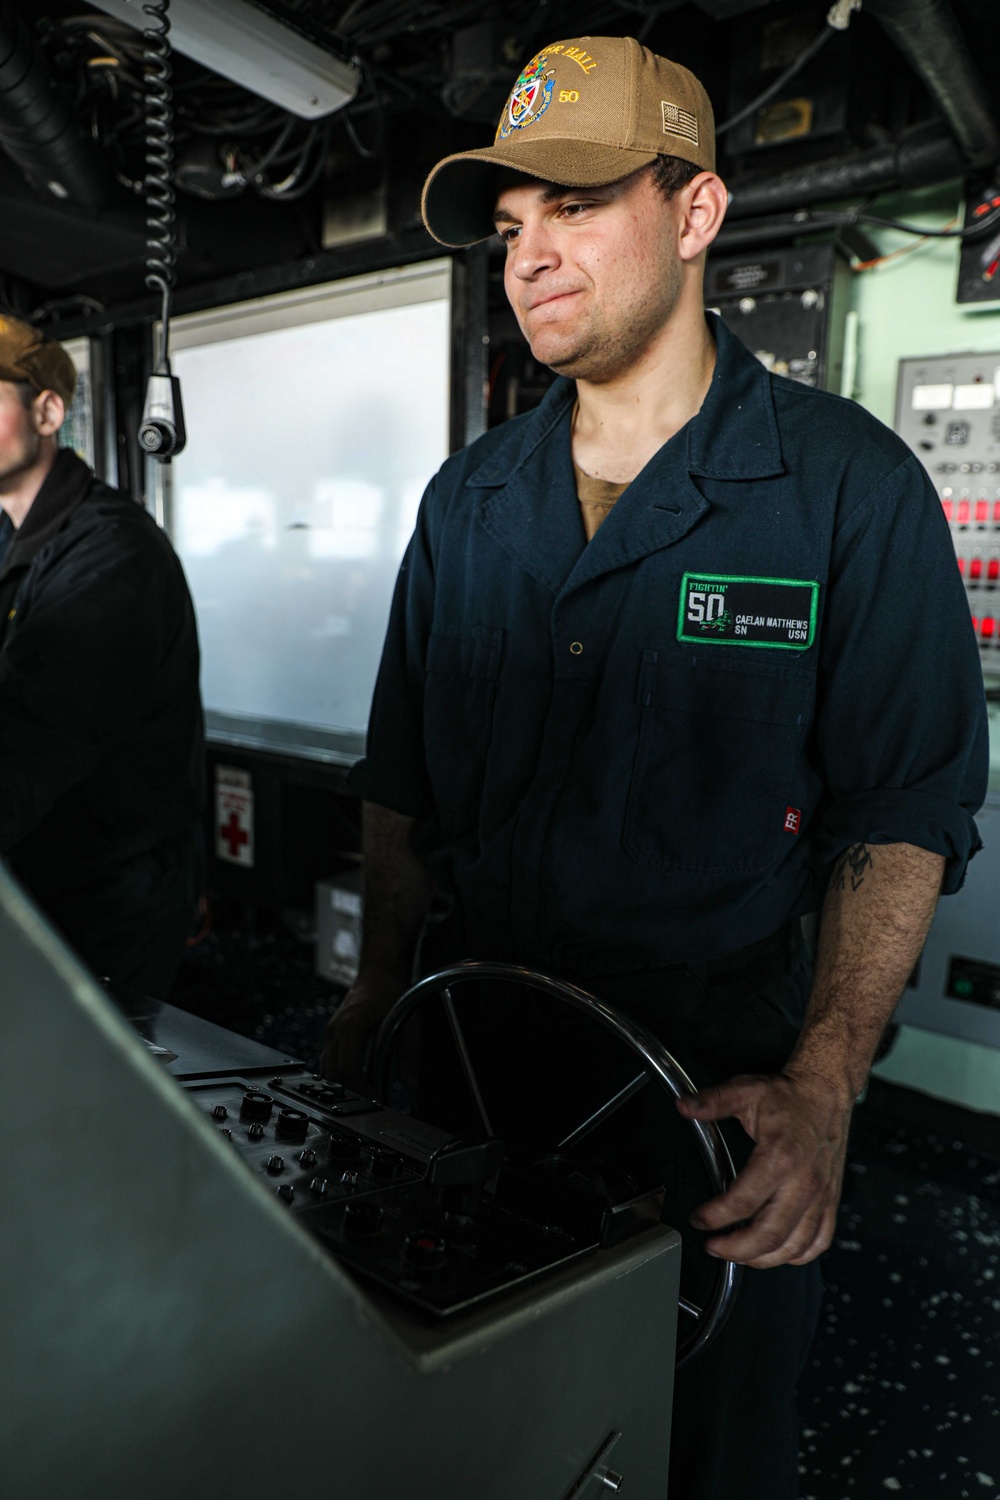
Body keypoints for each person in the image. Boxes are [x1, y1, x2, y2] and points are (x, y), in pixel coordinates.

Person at [321, 35, 988, 1499]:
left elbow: (901, 813)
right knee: (472, 1433)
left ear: (697, 215)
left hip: (709, 1104)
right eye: (510, 228)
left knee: (699, 1453)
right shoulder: (471, 500)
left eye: (573, 206)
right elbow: (405, 780)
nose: (529, 255)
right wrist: (376, 992)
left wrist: (826, 1085)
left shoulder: (846, 490)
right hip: (471, 1070)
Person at [0, 314, 204, 1003]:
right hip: (36, 888)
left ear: (47, 410)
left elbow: (28, 741)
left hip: (105, 907)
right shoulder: (11, 539)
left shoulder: (112, 553)